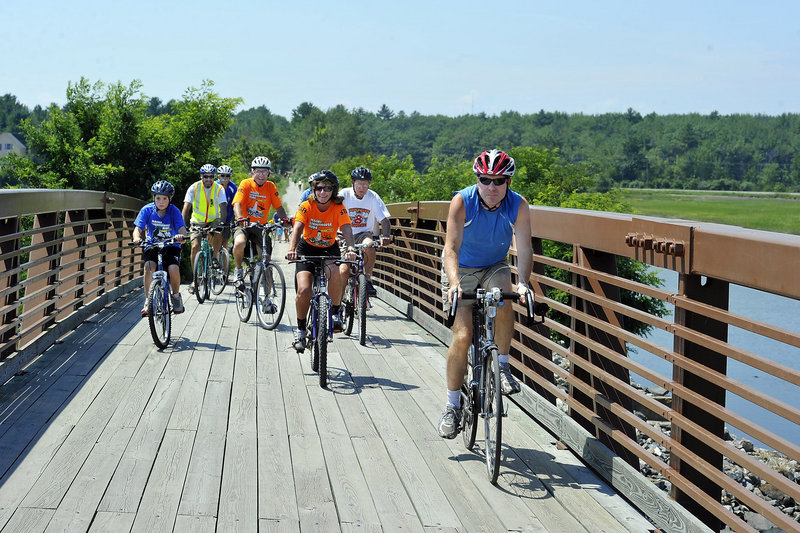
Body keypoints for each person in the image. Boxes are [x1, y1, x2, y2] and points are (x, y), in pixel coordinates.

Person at [437, 149, 533, 439]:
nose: (492, 187)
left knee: (504, 295)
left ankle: (502, 367)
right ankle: (452, 407)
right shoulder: (462, 201)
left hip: (495, 265)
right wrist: (454, 284)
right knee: (463, 336)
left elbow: (525, 247)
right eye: (485, 180)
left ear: (508, 182)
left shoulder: (518, 205)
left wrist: (525, 283)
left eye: (499, 181)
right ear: (477, 180)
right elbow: (450, 249)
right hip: (461, 269)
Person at [286, 170, 356, 352]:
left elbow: (347, 229)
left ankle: (334, 312)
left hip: (328, 248)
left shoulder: (338, 207)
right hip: (306, 248)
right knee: (304, 289)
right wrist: (292, 249)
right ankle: (301, 330)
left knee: (335, 273)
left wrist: (350, 248)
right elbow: (298, 228)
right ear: (313, 190)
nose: (323, 192)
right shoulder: (306, 205)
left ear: (333, 190)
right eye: (319, 188)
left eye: (327, 188)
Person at [132, 180, 188, 316]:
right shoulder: (147, 210)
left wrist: (182, 236)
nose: (161, 201)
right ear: (153, 198)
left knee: (173, 269)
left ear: (170, 199)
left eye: (164, 198)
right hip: (153, 245)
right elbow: (137, 228)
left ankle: (175, 297)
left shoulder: (174, 211)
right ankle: (148, 301)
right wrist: (136, 238)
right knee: (148, 266)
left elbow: (182, 228)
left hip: (171, 245)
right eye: (158, 198)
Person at [231, 156, 287, 291]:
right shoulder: (246, 183)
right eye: (258, 171)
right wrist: (240, 218)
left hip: (260, 227)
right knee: (239, 243)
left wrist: (285, 220)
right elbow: (237, 203)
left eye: (264, 171)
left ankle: (267, 297)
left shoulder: (271, 186)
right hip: (243, 224)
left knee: (265, 260)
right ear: (252, 172)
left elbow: (279, 207)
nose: (261, 175)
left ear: (269, 173)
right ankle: (238, 271)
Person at [338, 166, 392, 296]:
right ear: (352, 183)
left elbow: (384, 220)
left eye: (365, 184)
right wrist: (335, 235)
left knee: (369, 245)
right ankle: (337, 305)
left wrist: (385, 236)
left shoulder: (372, 196)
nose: (362, 188)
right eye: (359, 184)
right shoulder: (343, 195)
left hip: (363, 234)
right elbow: (331, 214)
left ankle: (367, 279)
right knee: (344, 272)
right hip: (344, 235)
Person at [182, 163, 227, 294]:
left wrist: (222, 222)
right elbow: (186, 208)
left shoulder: (219, 189)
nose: (208, 179)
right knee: (195, 247)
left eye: (211, 176)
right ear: (201, 176)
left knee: (219, 230)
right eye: (206, 176)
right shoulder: (194, 188)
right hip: (197, 221)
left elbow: (223, 207)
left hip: (213, 220)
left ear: (214, 177)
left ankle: (215, 256)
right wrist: (182, 226)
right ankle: (195, 280)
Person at [216, 164, 237, 249]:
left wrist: (236, 218)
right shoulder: (214, 186)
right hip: (214, 217)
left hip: (227, 218)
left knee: (225, 242)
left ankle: (225, 261)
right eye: (222, 175)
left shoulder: (233, 187)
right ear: (219, 176)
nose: (225, 178)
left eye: (227, 176)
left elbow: (235, 203)